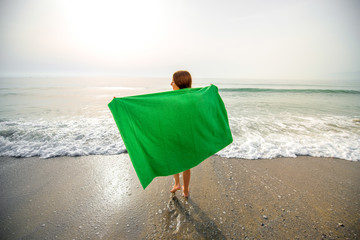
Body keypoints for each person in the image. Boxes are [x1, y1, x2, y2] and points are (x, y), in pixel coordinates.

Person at [170, 70, 192, 198]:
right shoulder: (191, 98)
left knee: (175, 160)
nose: (171, 83)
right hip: (187, 135)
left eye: (173, 81)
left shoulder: (171, 98)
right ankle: (185, 190)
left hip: (175, 135)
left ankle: (178, 184)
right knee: (187, 165)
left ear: (179, 82)